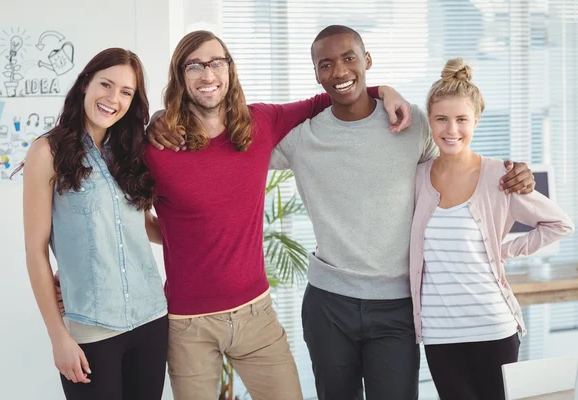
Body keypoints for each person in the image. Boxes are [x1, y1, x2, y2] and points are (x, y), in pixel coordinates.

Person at [268, 25, 537, 400]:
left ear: (367, 61)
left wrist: (514, 173)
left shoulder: (410, 124)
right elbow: (237, 147)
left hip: (398, 306)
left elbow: (458, 162)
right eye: (326, 64)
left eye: (349, 59)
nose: (340, 71)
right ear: (316, 74)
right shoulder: (302, 139)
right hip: (329, 304)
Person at [143, 30, 409, 400]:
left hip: (257, 317)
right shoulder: (157, 147)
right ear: (180, 75)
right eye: (195, 66)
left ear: (230, 70)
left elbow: (328, 98)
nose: (208, 75)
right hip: (189, 326)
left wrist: (383, 90)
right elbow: (123, 213)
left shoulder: (260, 124)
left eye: (217, 63)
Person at [409, 58, 575, 400]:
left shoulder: (500, 174)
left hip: (492, 326)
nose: (451, 129)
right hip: (440, 333)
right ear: (430, 121)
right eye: (441, 119)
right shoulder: (416, 177)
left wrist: (503, 249)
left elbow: (559, 224)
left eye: (461, 120)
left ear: (476, 121)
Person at [22, 48, 168, 400]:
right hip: (91, 331)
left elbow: (144, 224)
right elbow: (35, 251)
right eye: (106, 84)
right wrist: (59, 337)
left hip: (151, 319)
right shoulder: (47, 152)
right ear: (86, 82)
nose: (113, 98)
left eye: (125, 92)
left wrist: (202, 229)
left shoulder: (132, 151)